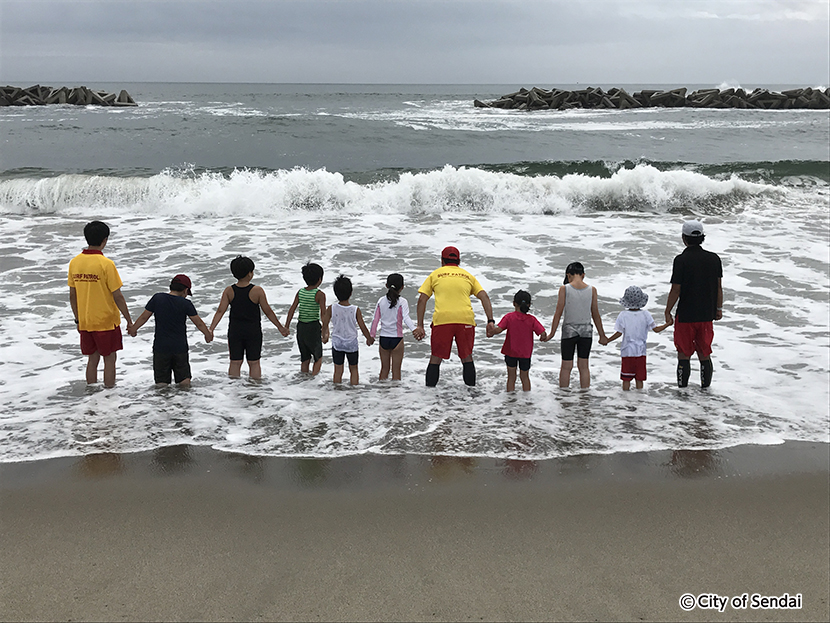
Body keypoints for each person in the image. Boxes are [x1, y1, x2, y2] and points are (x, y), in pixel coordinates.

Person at [414, 246, 495, 387]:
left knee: (436, 358)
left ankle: (429, 394)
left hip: (442, 321)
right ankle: (471, 394)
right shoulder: (468, 276)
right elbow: (484, 297)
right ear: (459, 261)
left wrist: (420, 325)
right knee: (467, 357)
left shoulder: (435, 275)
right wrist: (490, 320)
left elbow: (422, 299)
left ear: (442, 261)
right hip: (465, 320)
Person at [67, 220, 133, 388]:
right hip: (106, 321)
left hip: (86, 321)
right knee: (109, 359)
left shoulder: (75, 262)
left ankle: (92, 394)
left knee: (92, 359)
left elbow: (72, 295)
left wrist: (78, 319)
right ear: (105, 240)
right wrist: (129, 320)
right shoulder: (106, 264)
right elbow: (117, 295)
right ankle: (109, 395)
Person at [209, 256, 289, 380]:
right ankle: (255, 389)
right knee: (254, 362)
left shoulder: (229, 291)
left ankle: (234, 390)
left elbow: (220, 311)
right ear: (250, 273)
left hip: (235, 331)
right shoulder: (257, 291)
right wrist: (280, 327)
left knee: (235, 362)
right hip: (253, 331)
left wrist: (211, 329)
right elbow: (268, 311)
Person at [664, 220, 723, 388]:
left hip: (686, 315)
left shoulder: (681, 260)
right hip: (706, 314)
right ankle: (706, 390)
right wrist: (718, 309)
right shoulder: (714, 259)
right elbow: (719, 287)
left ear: (684, 238)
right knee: (704, 353)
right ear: (702, 237)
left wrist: (668, 310)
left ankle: (682, 391)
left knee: (683, 354)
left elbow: (676, 289)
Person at [129, 274, 213, 386]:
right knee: (184, 381)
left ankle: (164, 402)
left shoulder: (157, 298)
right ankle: (186, 401)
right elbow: (198, 323)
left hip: (161, 347)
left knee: (162, 383)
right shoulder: (186, 303)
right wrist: (207, 334)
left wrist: (133, 329)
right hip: (180, 347)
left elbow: (144, 317)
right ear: (185, 290)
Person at [543, 262, 607, 388]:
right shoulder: (592, 290)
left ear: (568, 275)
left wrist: (551, 333)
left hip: (569, 331)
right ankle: (584, 397)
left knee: (566, 367)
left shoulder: (564, 289)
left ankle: (564, 397)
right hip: (586, 331)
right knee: (584, 367)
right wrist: (602, 335)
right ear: (583, 275)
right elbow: (595, 314)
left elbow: (558, 312)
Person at [604, 285, 672, 390]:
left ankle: (626, 401)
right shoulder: (646, 314)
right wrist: (667, 324)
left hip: (627, 352)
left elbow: (619, 333)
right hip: (641, 352)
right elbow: (656, 329)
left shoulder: (623, 315)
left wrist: (607, 340)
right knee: (639, 379)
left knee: (626, 379)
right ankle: (639, 401)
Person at [488, 290, 546, 392]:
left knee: (511, 378)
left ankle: (511, 400)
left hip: (510, 351)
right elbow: (543, 333)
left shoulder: (509, 317)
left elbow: (498, 330)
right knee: (525, 377)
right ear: (528, 305)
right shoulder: (532, 319)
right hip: (525, 354)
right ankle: (527, 399)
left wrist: (490, 330)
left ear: (514, 303)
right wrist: (543, 337)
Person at [324, 275, 374, 385]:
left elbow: (325, 323)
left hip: (337, 343)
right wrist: (369, 338)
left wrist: (324, 335)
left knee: (338, 370)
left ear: (335, 293)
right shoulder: (355, 309)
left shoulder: (331, 308)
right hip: (351, 343)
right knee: (354, 369)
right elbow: (362, 326)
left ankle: (337, 390)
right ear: (351, 293)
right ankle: (354, 391)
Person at [369, 273, 416, 380]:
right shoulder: (402, 302)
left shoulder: (381, 301)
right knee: (396, 371)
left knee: (384, 369)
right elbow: (406, 317)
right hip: (397, 339)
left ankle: (381, 394)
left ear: (386, 285)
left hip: (384, 339)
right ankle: (395, 396)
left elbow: (375, 320)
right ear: (402, 287)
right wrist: (414, 329)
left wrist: (371, 336)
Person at [285, 262, 328, 375]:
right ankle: (314, 380)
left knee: (305, 358)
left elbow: (292, 310)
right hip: (313, 327)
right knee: (318, 357)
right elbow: (323, 315)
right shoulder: (320, 294)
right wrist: (325, 332)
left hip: (301, 327)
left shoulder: (300, 292)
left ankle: (304, 380)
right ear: (320, 279)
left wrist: (286, 326)